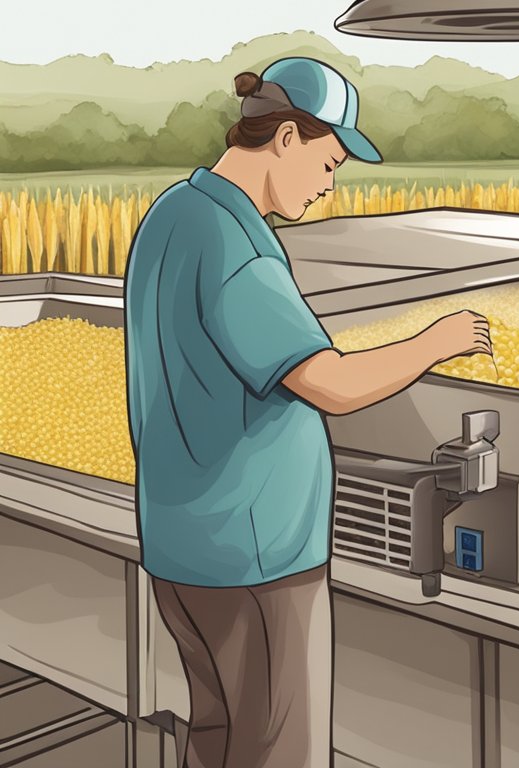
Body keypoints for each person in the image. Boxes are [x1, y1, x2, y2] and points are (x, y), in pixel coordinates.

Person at [123, 56, 491, 768]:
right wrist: (434, 344)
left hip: (180, 547)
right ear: (285, 138)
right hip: (256, 563)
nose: (328, 187)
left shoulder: (176, 211)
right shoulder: (239, 250)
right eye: (329, 164)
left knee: (216, 737)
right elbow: (332, 385)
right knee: (277, 753)